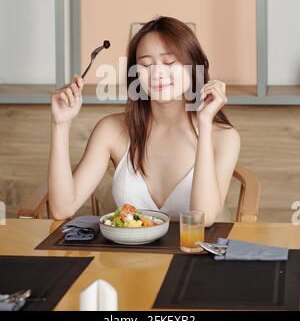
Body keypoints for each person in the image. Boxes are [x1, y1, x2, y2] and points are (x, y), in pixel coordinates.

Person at [48, 16, 240, 225]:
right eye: (145, 65)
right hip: (131, 256)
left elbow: (204, 219)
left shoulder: (224, 138)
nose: (157, 73)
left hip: (194, 254)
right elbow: (61, 208)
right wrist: (61, 124)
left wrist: (204, 123)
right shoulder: (112, 130)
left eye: (169, 62)